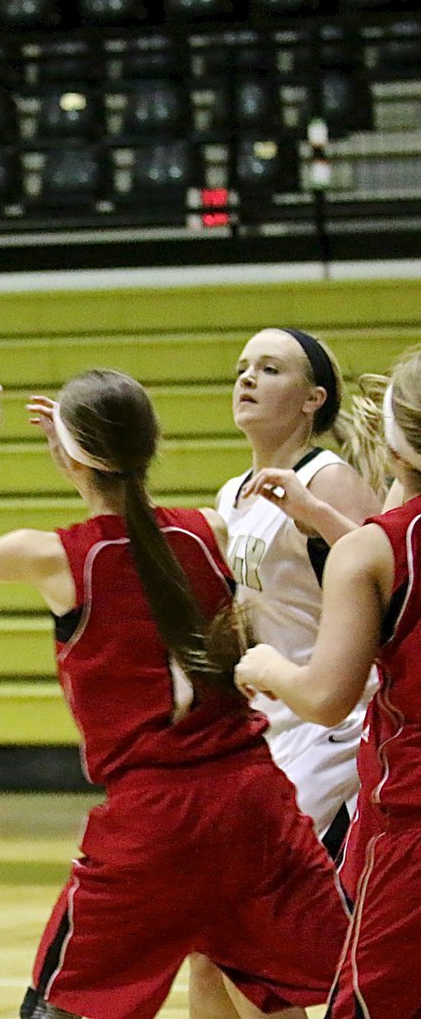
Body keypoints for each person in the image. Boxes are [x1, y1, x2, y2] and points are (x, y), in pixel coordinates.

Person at [0, 368, 349, 1019]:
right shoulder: (211, 530)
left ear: (69, 456)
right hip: (253, 800)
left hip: (157, 821)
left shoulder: (64, 557)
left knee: (59, 1004)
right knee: (306, 987)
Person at [189, 327, 385, 1019]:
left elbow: (383, 586)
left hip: (328, 726)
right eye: (241, 366)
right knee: (208, 937)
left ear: (311, 399)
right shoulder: (232, 492)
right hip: (267, 723)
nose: (245, 378)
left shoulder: (326, 479)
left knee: (250, 935)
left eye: (267, 369)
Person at [235, 347, 421, 1019]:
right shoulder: (248, 492)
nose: (246, 378)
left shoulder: (369, 533)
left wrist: (262, 669)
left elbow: (324, 694)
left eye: (269, 367)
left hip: (380, 780)